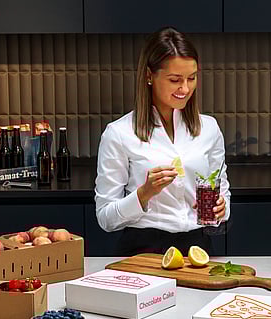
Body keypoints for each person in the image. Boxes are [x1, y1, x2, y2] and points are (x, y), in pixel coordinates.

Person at [94, 27, 230, 256]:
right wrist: (144, 193)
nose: (185, 88)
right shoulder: (118, 133)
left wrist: (221, 208)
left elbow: (222, 191)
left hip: (199, 247)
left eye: (192, 78)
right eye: (175, 80)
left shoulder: (209, 128)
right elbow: (105, 218)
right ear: (149, 76)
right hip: (143, 249)